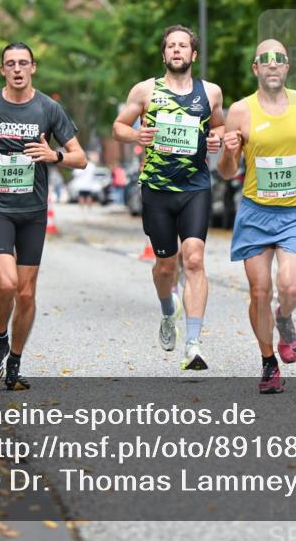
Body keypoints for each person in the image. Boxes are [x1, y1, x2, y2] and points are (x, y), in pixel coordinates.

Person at [0, 42, 87, 390]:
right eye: (10, 63)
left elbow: (80, 158)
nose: (16, 69)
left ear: (33, 68)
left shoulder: (48, 108)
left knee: (26, 294)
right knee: (7, 284)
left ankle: (14, 360)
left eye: (23, 63)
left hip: (33, 211)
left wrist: (52, 155)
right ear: (2, 70)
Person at [218, 39, 296, 394]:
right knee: (259, 291)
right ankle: (269, 363)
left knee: (291, 286)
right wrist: (229, 153)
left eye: (278, 60)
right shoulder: (239, 111)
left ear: (287, 67)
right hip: (255, 212)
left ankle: (284, 319)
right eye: (264, 60)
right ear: (255, 69)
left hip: (294, 212)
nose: (271, 65)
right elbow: (225, 172)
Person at [112, 25, 225, 370]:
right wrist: (136, 135)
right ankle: (167, 312)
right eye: (171, 46)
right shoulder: (146, 90)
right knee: (166, 265)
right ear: (164, 55)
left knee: (193, 259)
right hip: (157, 190)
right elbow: (119, 125)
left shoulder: (212, 92)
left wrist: (216, 139)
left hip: (195, 187)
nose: (177, 51)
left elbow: (218, 125)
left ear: (194, 55)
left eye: (183, 46)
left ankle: (193, 343)